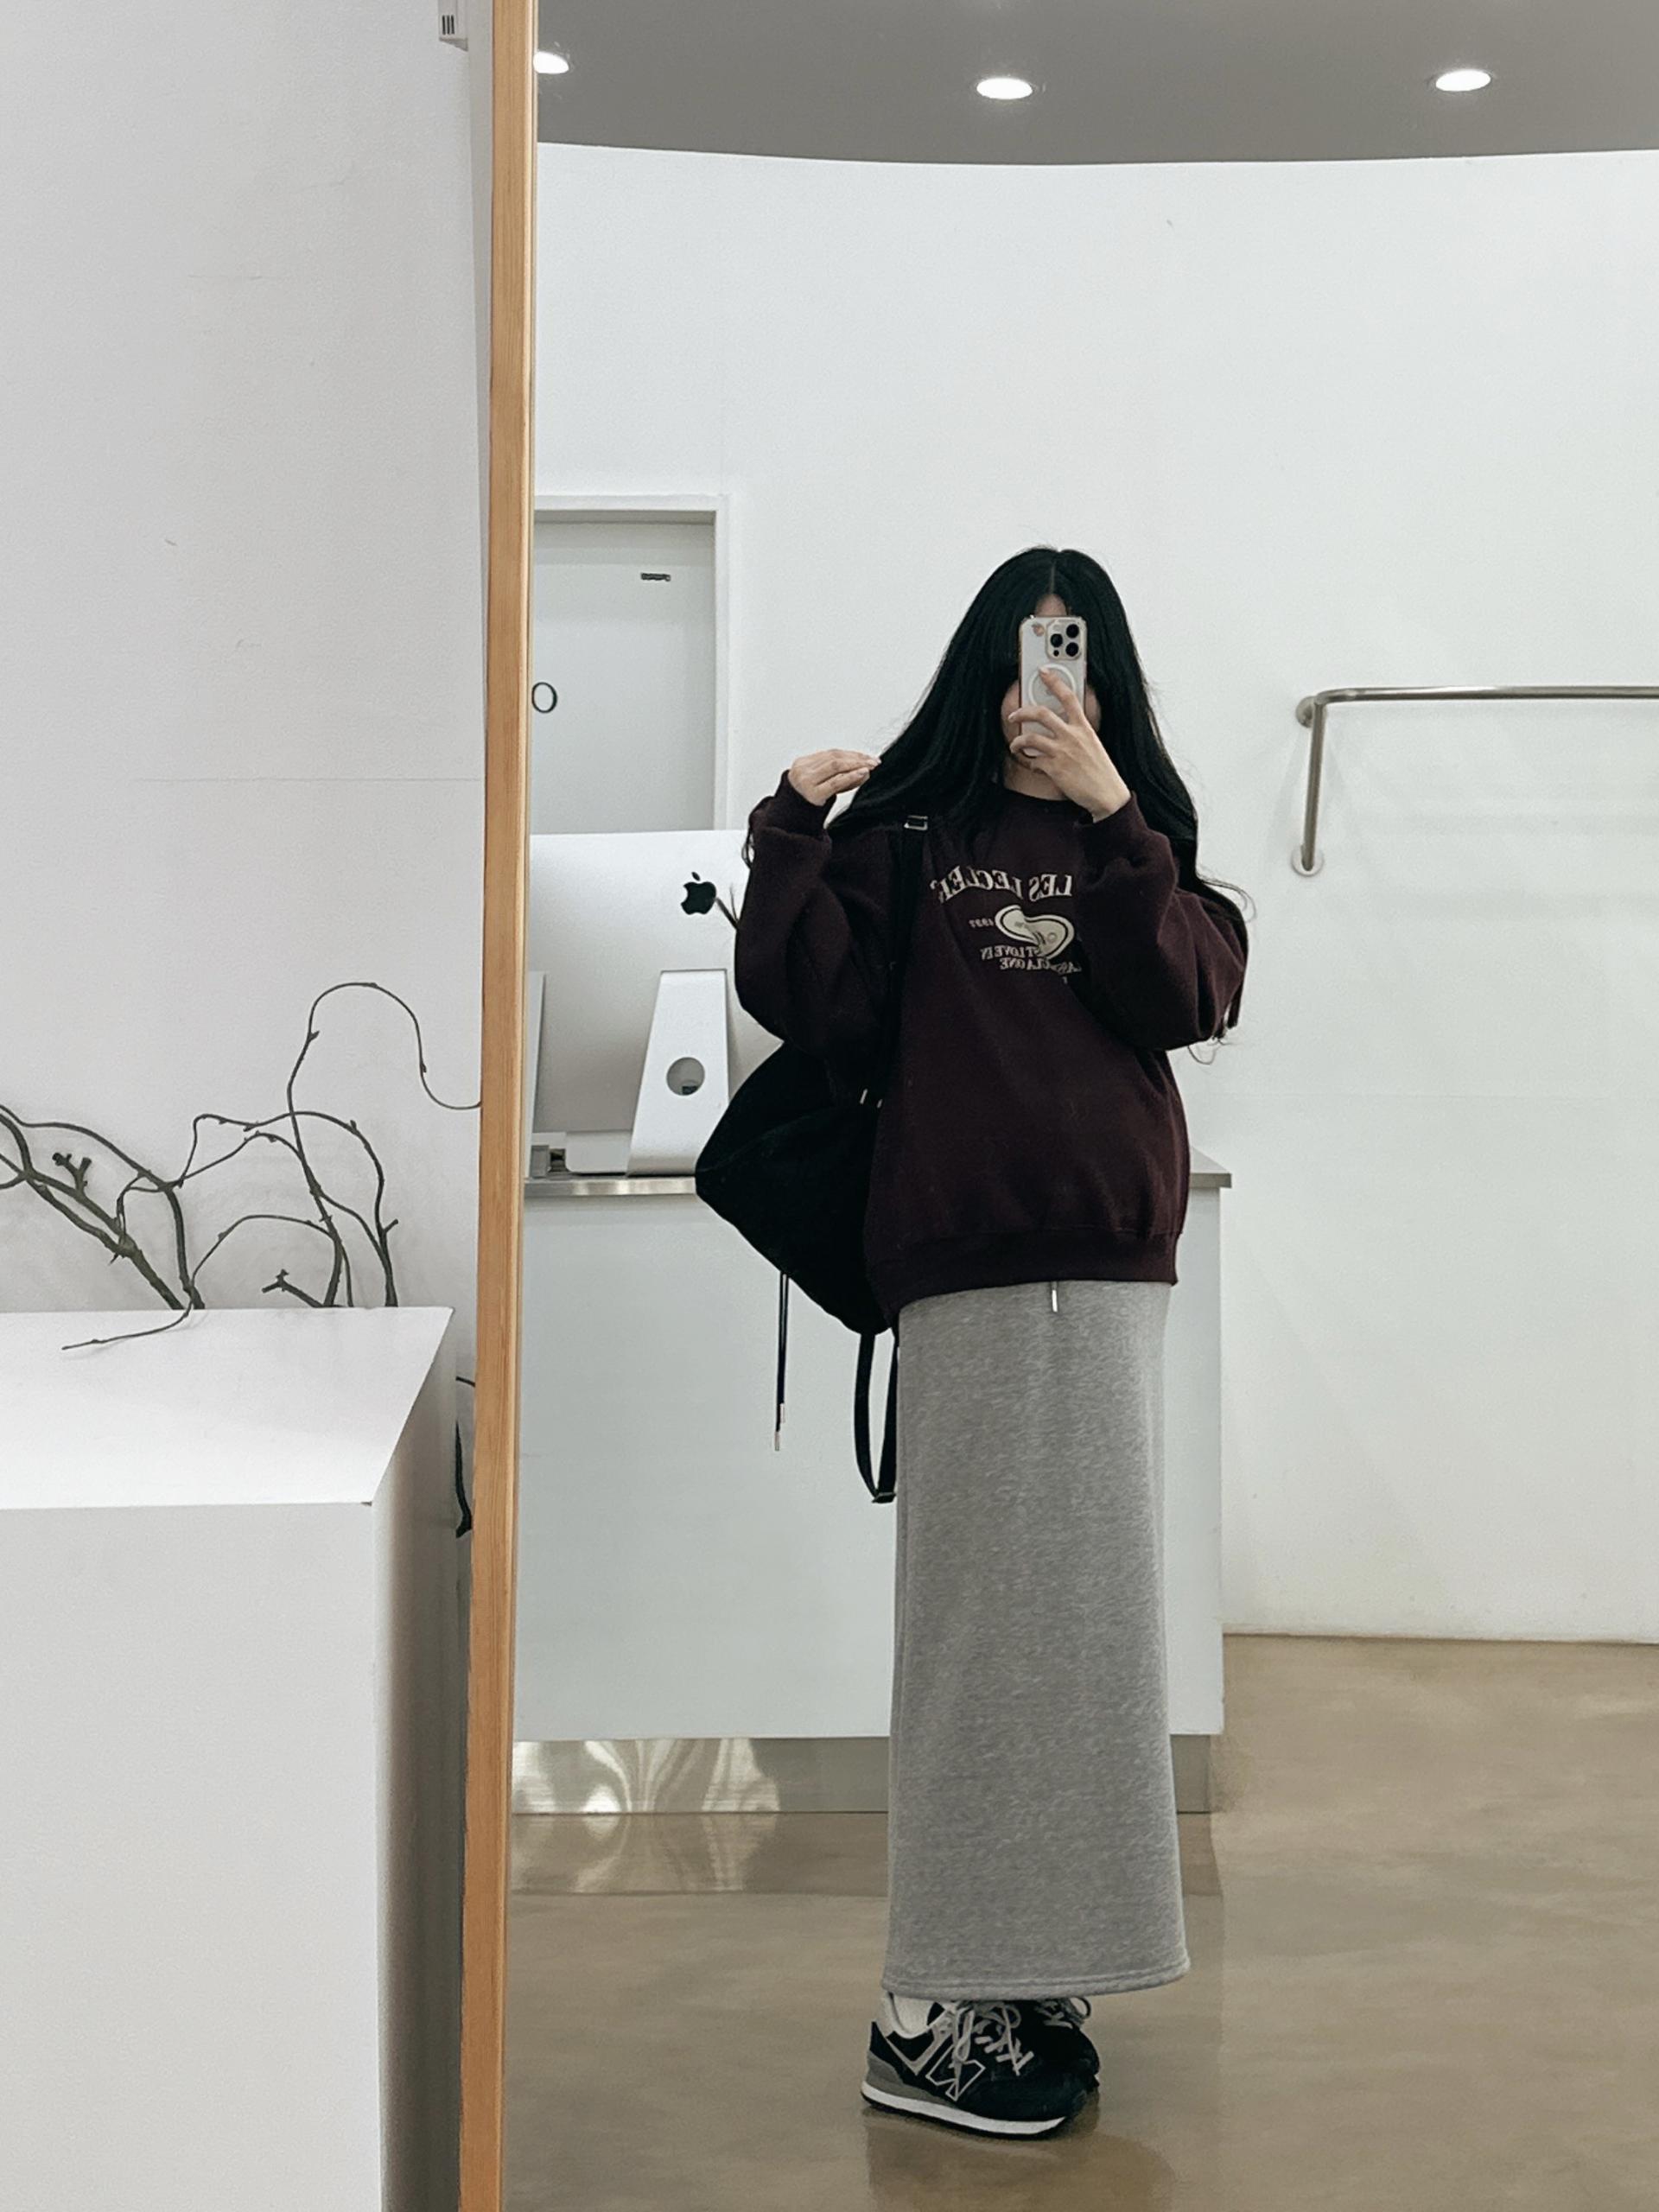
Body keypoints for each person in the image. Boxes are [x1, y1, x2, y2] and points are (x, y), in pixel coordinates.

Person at [732, 545, 1250, 2138]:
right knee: (981, 1640)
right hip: (970, 1272)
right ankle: (925, 2008)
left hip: (1109, 1278)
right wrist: (787, 829)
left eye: (1073, 652)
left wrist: (1113, 814)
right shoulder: (911, 838)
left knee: (1079, 1644)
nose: (1050, 681)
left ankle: (1016, 1974)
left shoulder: (1138, 835)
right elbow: (801, 999)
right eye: (1031, 650)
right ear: (988, 666)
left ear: (1104, 677)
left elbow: (1189, 996)